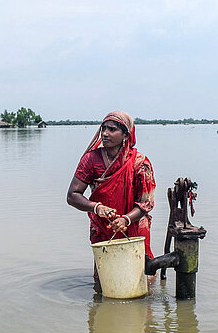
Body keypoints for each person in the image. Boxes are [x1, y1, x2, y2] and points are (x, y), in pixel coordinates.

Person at [66, 111, 155, 286]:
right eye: (104, 128)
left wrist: (126, 219)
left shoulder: (140, 163)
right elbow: (72, 195)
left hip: (134, 227)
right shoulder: (91, 160)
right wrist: (97, 207)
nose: (105, 133)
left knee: (142, 280)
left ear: (125, 135)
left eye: (112, 129)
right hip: (103, 227)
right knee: (104, 281)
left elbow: (146, 203)